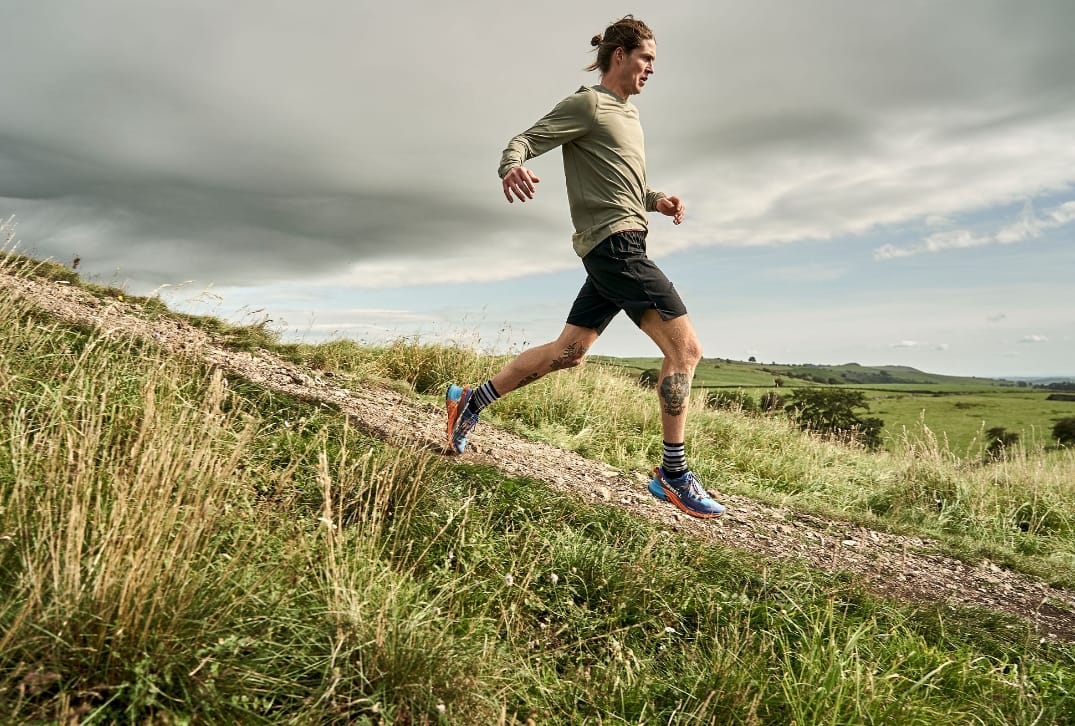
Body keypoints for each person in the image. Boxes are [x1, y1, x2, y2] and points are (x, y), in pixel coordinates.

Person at [446, 16, 724, 519]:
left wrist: (656, 200)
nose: (651, 70)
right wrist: (511, 166)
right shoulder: (588, 104)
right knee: (686, 351)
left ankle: (470, 401)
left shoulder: (629, 115)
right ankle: (674, 473)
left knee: (568, 353)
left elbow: (618, 183)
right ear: (619, 55)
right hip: (615, 249)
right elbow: (524, 139)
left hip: (616, 245)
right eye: (646, 59)